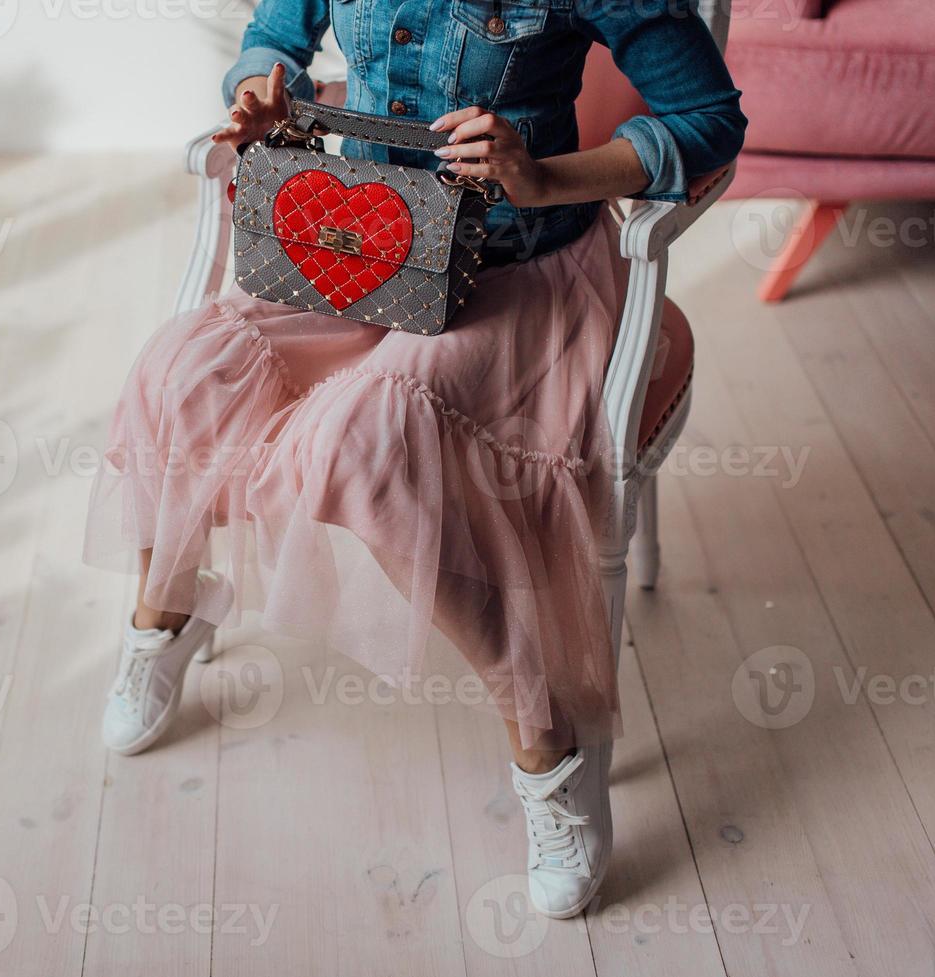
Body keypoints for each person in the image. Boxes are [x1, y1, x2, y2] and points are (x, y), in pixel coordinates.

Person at [85, 0, 744, 918]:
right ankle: (168, 614)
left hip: (519, 282)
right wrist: (260, 92)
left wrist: (545, 178)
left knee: (369, 438)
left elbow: (708, 117)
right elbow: (272, 40)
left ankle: (550, 749)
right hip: (365, 248)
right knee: (182, 371)